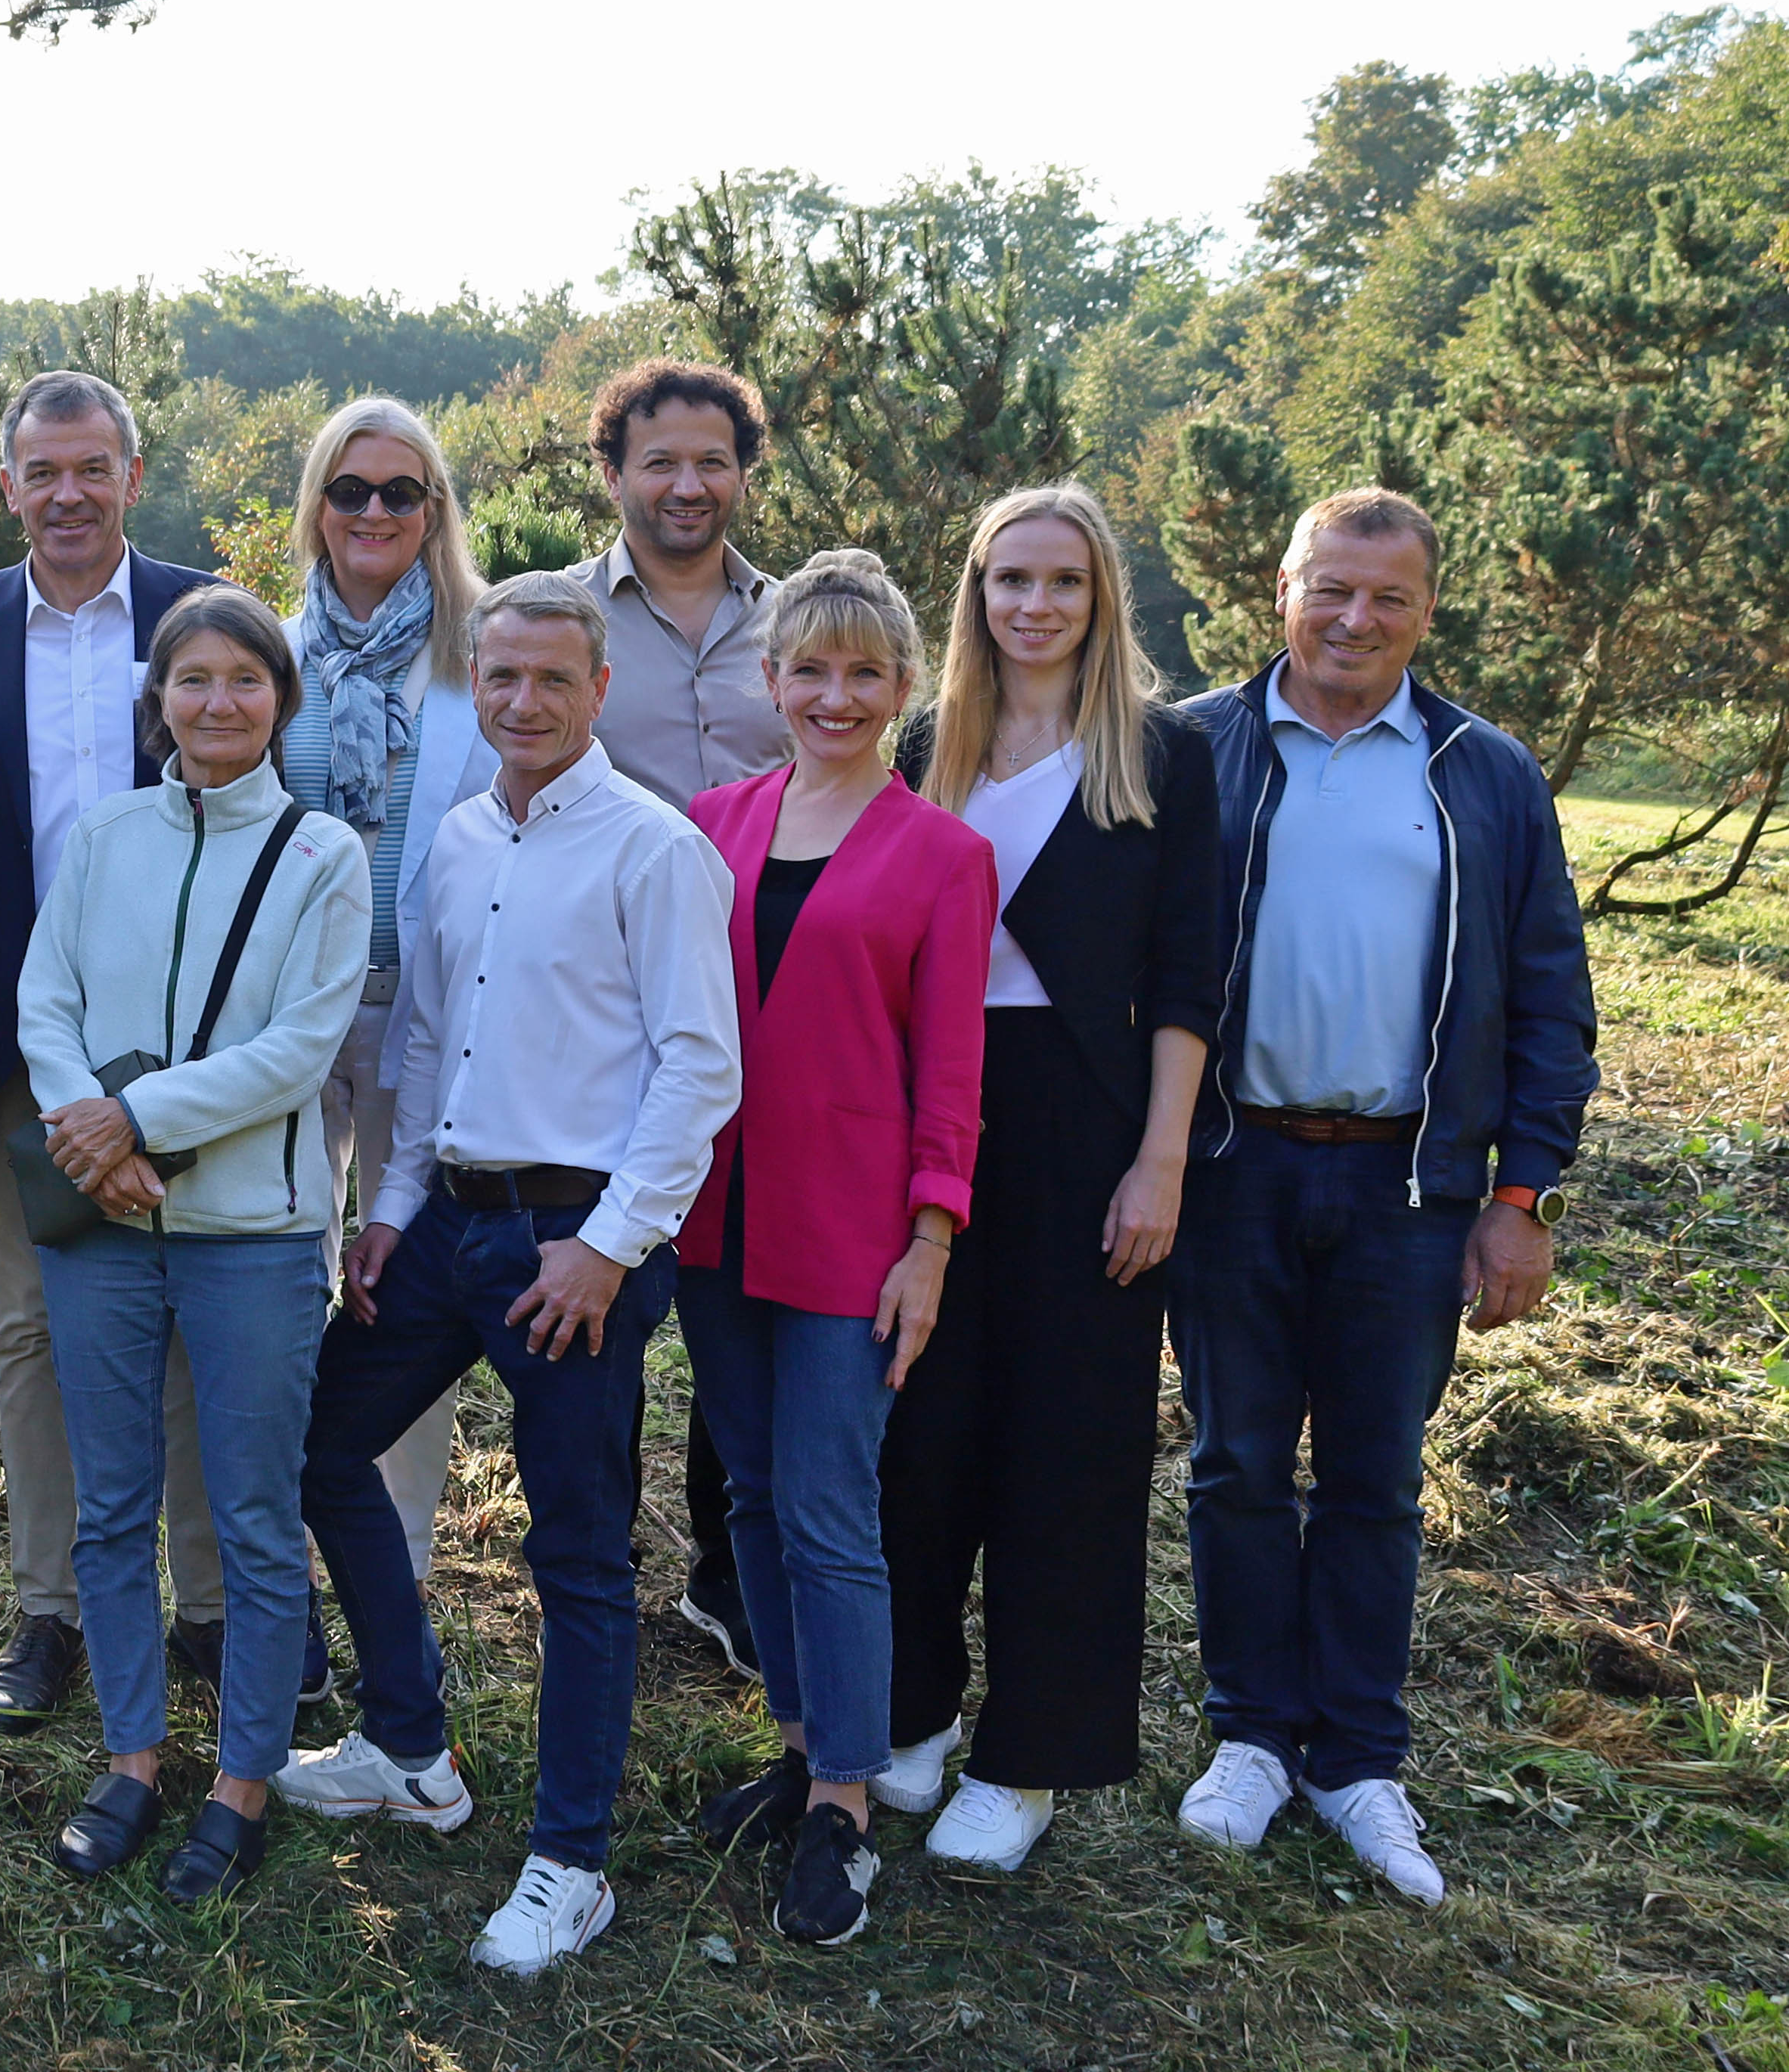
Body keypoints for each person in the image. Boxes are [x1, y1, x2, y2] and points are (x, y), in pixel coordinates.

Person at [278, 572, 736, 1981]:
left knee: (577, 1554)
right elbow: (425, 1045)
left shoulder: (655, 850)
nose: (524, 702)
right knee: (318, 1443)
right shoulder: (461, 839)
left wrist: (608, 1247)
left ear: (599, 689)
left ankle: (569, 1863)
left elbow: (699, 1068)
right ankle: (410, 1746)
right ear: (471, 686)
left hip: (575, 1239)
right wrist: (388, 1212)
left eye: (552, 679)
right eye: (501, 678)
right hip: (449, 1225)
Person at [1165, 489, 1592, 1907]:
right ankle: (1247, 1739)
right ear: (1280, 589)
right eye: (1330, 589)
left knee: (1372, 1478)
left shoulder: (1483, 773)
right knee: (1233, 1462)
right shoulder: (1192, 749)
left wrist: (1520, 1196)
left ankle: (1355, 1760)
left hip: (1411, 1183)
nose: (1354, 619)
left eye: (1387, 598)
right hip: (1231, 1165)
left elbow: (1549, 1000)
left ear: (1425, 612)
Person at [873, 485, 1223, 1875]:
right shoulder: (924, 746)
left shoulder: (1161, 755)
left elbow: (1189, 973)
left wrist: (1159, 1161)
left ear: (1098, 598)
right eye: (1008, 579)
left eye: (1061, 581)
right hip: (938, 1115)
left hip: (1091, 1124)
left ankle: (1026, 1759)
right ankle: (908, 1711)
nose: (1034, 604)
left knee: (1065, 1445)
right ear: (974, 591)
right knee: (917, 1425)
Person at [16, 587, 367, 1901]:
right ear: (156, 699)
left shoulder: (321, 854)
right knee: (110, 1507)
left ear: (280, 697)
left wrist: (135, 1118)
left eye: (244, 679)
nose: (218, 702)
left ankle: (242, 1781)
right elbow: (43, 1000)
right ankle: (131, 1756)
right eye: (192, 679)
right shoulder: (105, 836)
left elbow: (298, 1049)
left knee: (252, 1516)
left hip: (251, 1237)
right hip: (101, 1227)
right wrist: (89, 1137)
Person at [677, 551, 994, 1948]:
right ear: (771, 679)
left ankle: (847, 1805)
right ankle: (800, 1744)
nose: (834, 695)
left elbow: (951, 1069)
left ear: (904, 686)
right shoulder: (711, 825)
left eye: (864, 672)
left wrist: (930, 1237)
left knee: (825, 1506)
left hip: (851, 1230)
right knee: (747, 1495)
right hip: (714, 1219)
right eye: (809, 669)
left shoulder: (943, 855)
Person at [0, 372, 231, 1725]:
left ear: (131, 476)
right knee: (32, 1329)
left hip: (190, 1047)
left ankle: (211, 1612)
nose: (67, 493)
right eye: (41, 471)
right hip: (21, 1052)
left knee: (194, 1324)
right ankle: (51, 1608)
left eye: (91, 467)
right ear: (8, 488)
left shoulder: (204, 615)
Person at [563, 358, 789, 1685]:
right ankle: (586, 1561)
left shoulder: (795, 617)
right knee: (613, 1274)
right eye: (659, 461)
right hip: (611, 1009)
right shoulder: (559, 615)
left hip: (776, 999)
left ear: (743, 472)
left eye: (711, 460)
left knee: (744, 1278)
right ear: (613, 473)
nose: (686, 484)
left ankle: (725, 1568)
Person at [271, 397, 499, 1592]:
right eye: (349, 489)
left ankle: (394, 1571)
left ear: (434, 511)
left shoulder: (481, 653)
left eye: (400, 492)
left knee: (400, 1298)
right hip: (289, 1024)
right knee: (282, 1281)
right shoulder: (271, 653)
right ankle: (281, 1566)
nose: (373, 511)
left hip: (433, 1016)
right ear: (318, 505)